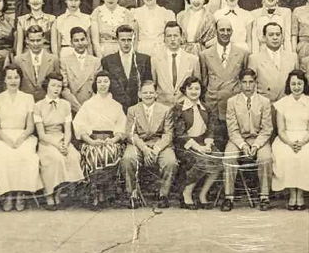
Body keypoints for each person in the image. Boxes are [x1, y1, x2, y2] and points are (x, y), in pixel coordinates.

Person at [0, 66, 42, 212]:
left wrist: (20, 138)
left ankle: (20, 194)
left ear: (20, 79)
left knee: (25, 156)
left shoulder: (27, 98)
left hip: (23, 135)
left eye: (16, 77)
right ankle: (7, 194)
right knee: (3, 157)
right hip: (2, 136)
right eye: (9, 77)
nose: (13, 81)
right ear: (5, 80)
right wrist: (6, 139)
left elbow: (30, 126)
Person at [74, 72, 129, 208]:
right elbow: (80, 126)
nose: (103, 84)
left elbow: (121, 127)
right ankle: (94, 192)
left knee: (109, 153)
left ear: (110, 84)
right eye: (99, 82)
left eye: (105, 81)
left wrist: (114, 139)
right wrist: (91, 141)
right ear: (95, 84)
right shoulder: (87, 104)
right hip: (92, 140)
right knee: (93, 154)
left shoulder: (116, 105)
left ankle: (105, 192)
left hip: (111, 140)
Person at [272, 71, 309, 210]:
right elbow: (281, 130)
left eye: (299, 83)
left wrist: (301, 143)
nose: (296, 87)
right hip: (286, 139)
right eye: (293, 84)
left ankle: (300, 194)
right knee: (286, 155)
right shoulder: (281, 104)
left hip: (306, 138)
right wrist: (290, 143)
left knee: (305, 155)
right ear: (289, 85)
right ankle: (291, 194)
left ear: (304, 85)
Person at [224, 69, 275, 211]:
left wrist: (257, 145)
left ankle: (264, 196)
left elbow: (267, 129)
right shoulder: (232, 102)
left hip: (259, 139)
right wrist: (242, 145)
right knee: (229, 157)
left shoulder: (264, 102)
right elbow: (232, 129)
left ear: (255, 83)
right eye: (244, 82)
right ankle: (229, 197)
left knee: (265, 158)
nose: (248, 86)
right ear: (240, 84)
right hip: (238, 140)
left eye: (251, 82)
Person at [121, 80, 177, 208]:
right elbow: (131, 133)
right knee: (128, 159)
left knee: (170, 161)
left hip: (159, 144)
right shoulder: (132, 110)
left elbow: (168, 134)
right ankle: (132, 194)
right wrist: (145, 149)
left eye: (151, 92)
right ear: (139, 94)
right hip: (138, 144)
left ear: (156, 94)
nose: (148, 95)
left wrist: (156, 149)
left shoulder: (165, 110)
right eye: (145, 93)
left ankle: (163, 195)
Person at [171, 77, 224, 210]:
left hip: (204, 143)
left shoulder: (206, 107)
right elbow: (180, 134)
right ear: (185, 90)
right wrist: (198, 148)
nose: (194, 91)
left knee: (219, 161)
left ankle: (202, 194)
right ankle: (186, 193)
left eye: (197, 88)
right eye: (190, 88)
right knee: (201, 161)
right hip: (185, 145)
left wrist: (207, 144)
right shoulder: (179, 108)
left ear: (201, 90)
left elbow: (211, 128)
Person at [34, 74, 82, 208]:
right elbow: (41, 134)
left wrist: (65, 144)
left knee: (72, 156)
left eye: (59, 86)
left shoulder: (65, 105)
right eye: (53, 85)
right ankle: (49, 194)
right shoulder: (38, 106)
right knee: (54, 158)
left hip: (62, 139)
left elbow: (67, 130)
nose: (56, 89)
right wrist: (57, 145)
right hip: (47, 141)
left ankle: (58, 192)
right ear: (47, 86)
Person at [198, 17, 248, 111]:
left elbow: (245, 80)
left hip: (235, 103)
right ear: (216, 31)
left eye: (228, 30)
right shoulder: (205, 54)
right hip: (213, 103)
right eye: (222, 30)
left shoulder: (243, 53)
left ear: (232, 32)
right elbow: (204, 81)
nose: (225, 33)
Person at [99, 25, 153, 108]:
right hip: (115, 108)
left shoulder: (144, 60)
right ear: (117, 40)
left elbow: (148, 85)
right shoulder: (107, 61)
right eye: (123, 40)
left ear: (133, 40)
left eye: (129, 40)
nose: (126, 43)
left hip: (138, 108)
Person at [153, 22, 201, 105]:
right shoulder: (155, 60)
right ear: (164, 38)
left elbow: (197, 87)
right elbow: (153, 86)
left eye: (175, 35)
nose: (172, 39)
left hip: (185, 108)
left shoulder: (193, 60)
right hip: (162, 107)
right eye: (169, 36)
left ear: (181, 37)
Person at [249, 21, 299, 101]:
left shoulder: (293, 57)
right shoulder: (254, 59)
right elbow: (251, 88)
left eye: (278, 34)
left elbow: (298, 85)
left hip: (287, 106)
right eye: (271, 35)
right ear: (264, 38)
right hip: (265, 106)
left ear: (282, 37)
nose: (275, 38)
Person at [59, 28, 103, 107]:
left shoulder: (96, 61)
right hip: (73, 106)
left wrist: (88, 106)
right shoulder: (64, 61)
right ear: (71, 43)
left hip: (92, 106)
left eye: (82, 39)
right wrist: (77, 107)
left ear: (87, 40)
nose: (80, 43)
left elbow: (98, 87)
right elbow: (64, 88)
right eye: (76, 40)